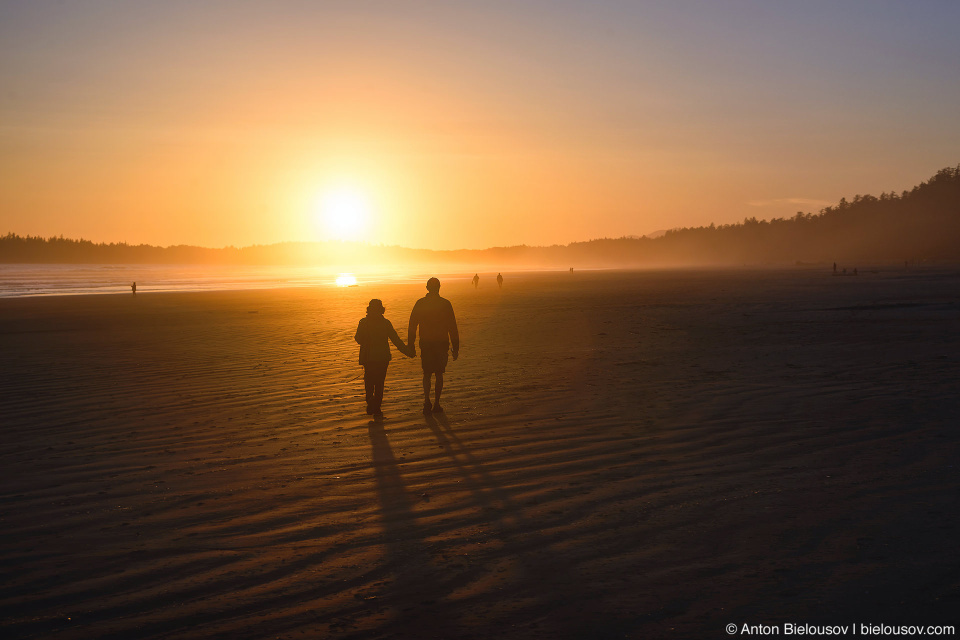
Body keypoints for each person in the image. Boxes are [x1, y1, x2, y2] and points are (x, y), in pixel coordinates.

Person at [408, 278, 459, 413]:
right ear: (439, 287)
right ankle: (436, 403)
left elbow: (412, 325)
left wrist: (410, 344)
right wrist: (456, 347)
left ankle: (426, 401)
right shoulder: (445, 304)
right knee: (439, 374)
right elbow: (452, 327)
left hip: (426, 343)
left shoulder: (420, 303)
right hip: (441, 343)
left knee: (427, 373)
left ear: (427, 288)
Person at [354, 299, 412, 418]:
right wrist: (407, 351)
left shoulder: (363, 322)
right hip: (382, 358)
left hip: (368, 357)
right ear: (381, 310)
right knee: (379, 383)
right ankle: (377, 408)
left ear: (369, 309)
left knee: (369, 381)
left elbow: (358, 339)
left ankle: (370, 400)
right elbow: (395, 340)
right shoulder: (386, 323)